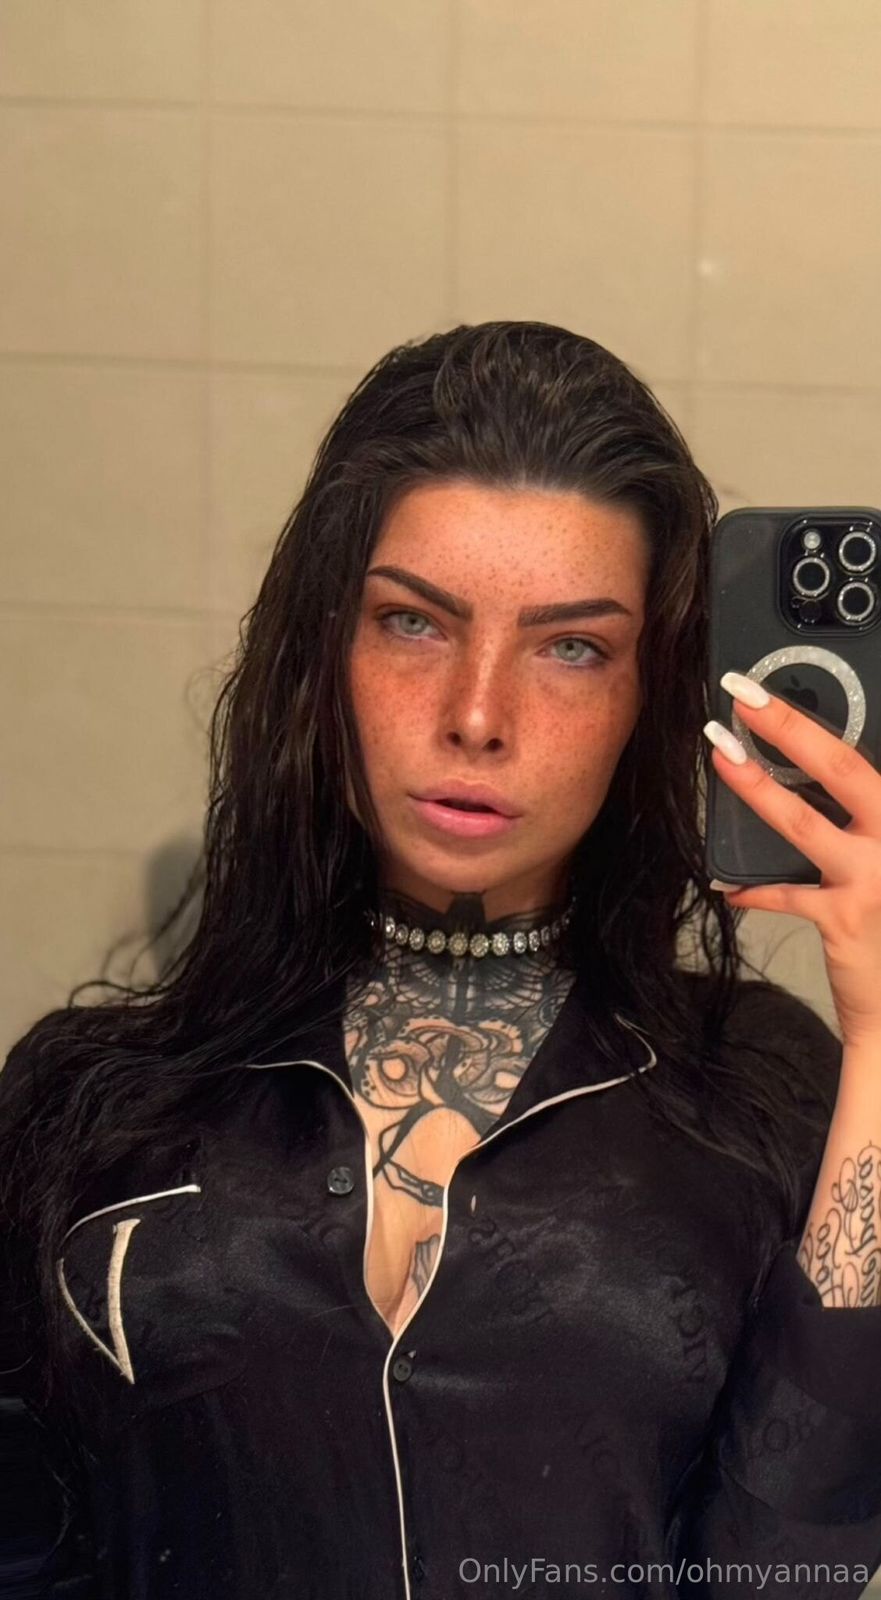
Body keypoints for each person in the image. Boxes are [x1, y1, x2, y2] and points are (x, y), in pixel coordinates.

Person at [2, 320, 881, 1599]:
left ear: (648, 695)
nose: (476, 715)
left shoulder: (760, 1086)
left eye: (571, 646)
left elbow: (786, 1566)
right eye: (413, 623)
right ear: (324, 651)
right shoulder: (87, 1100)